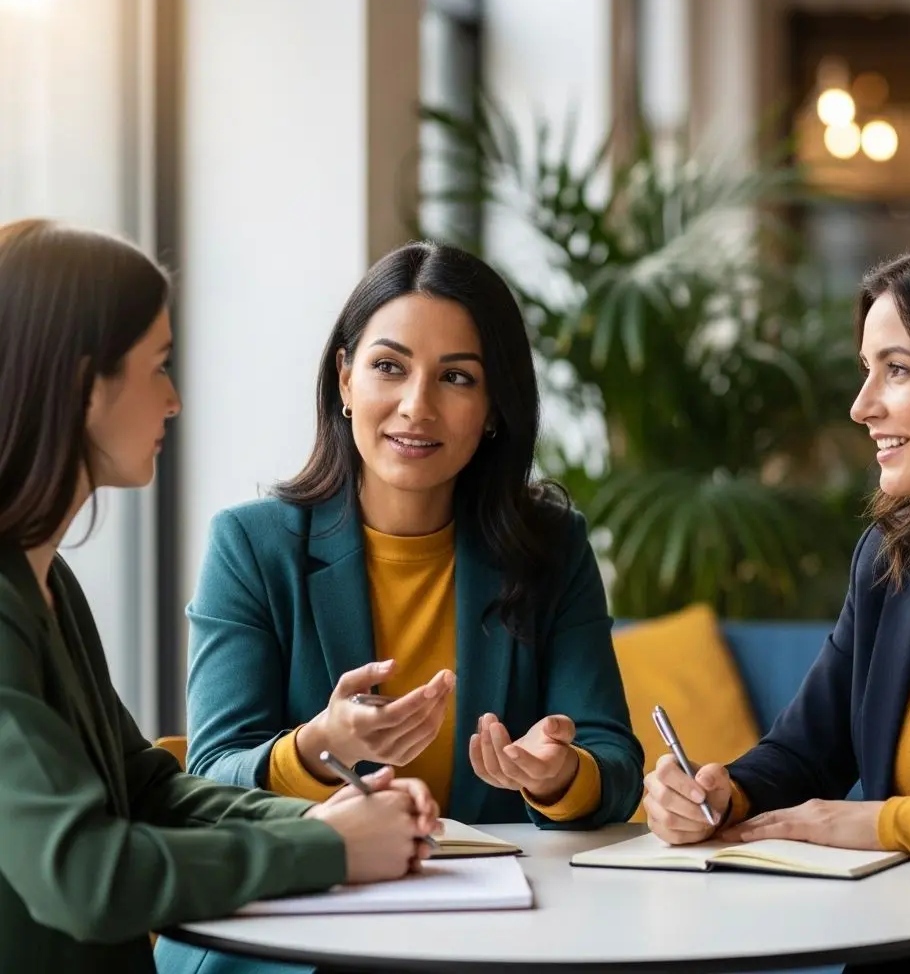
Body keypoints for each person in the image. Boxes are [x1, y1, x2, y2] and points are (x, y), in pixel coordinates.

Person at [156, 241, 643, 974]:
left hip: (488, 942)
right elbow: (210, 775)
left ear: (493, 410)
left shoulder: (551, 549)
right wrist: (321, 745)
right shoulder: (251, 546)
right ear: (345, 379)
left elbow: (615, 765)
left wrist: (557, 775)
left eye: (457, 377)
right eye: (389, 367)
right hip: (292, 939)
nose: (418, 405)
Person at [0, 219, 441, 974]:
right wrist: (327, 847)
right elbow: (89, 875)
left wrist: (333, 820)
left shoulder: (48, 584)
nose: (172, 401)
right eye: (158, 367)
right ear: (82, 384)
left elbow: (146, 790)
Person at [644, 239, 910, 974]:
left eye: (899, 370)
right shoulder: (892, 567)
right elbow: (803, 752)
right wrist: (723, 794)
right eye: (865, 371)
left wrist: (886, 823)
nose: (862, 406)